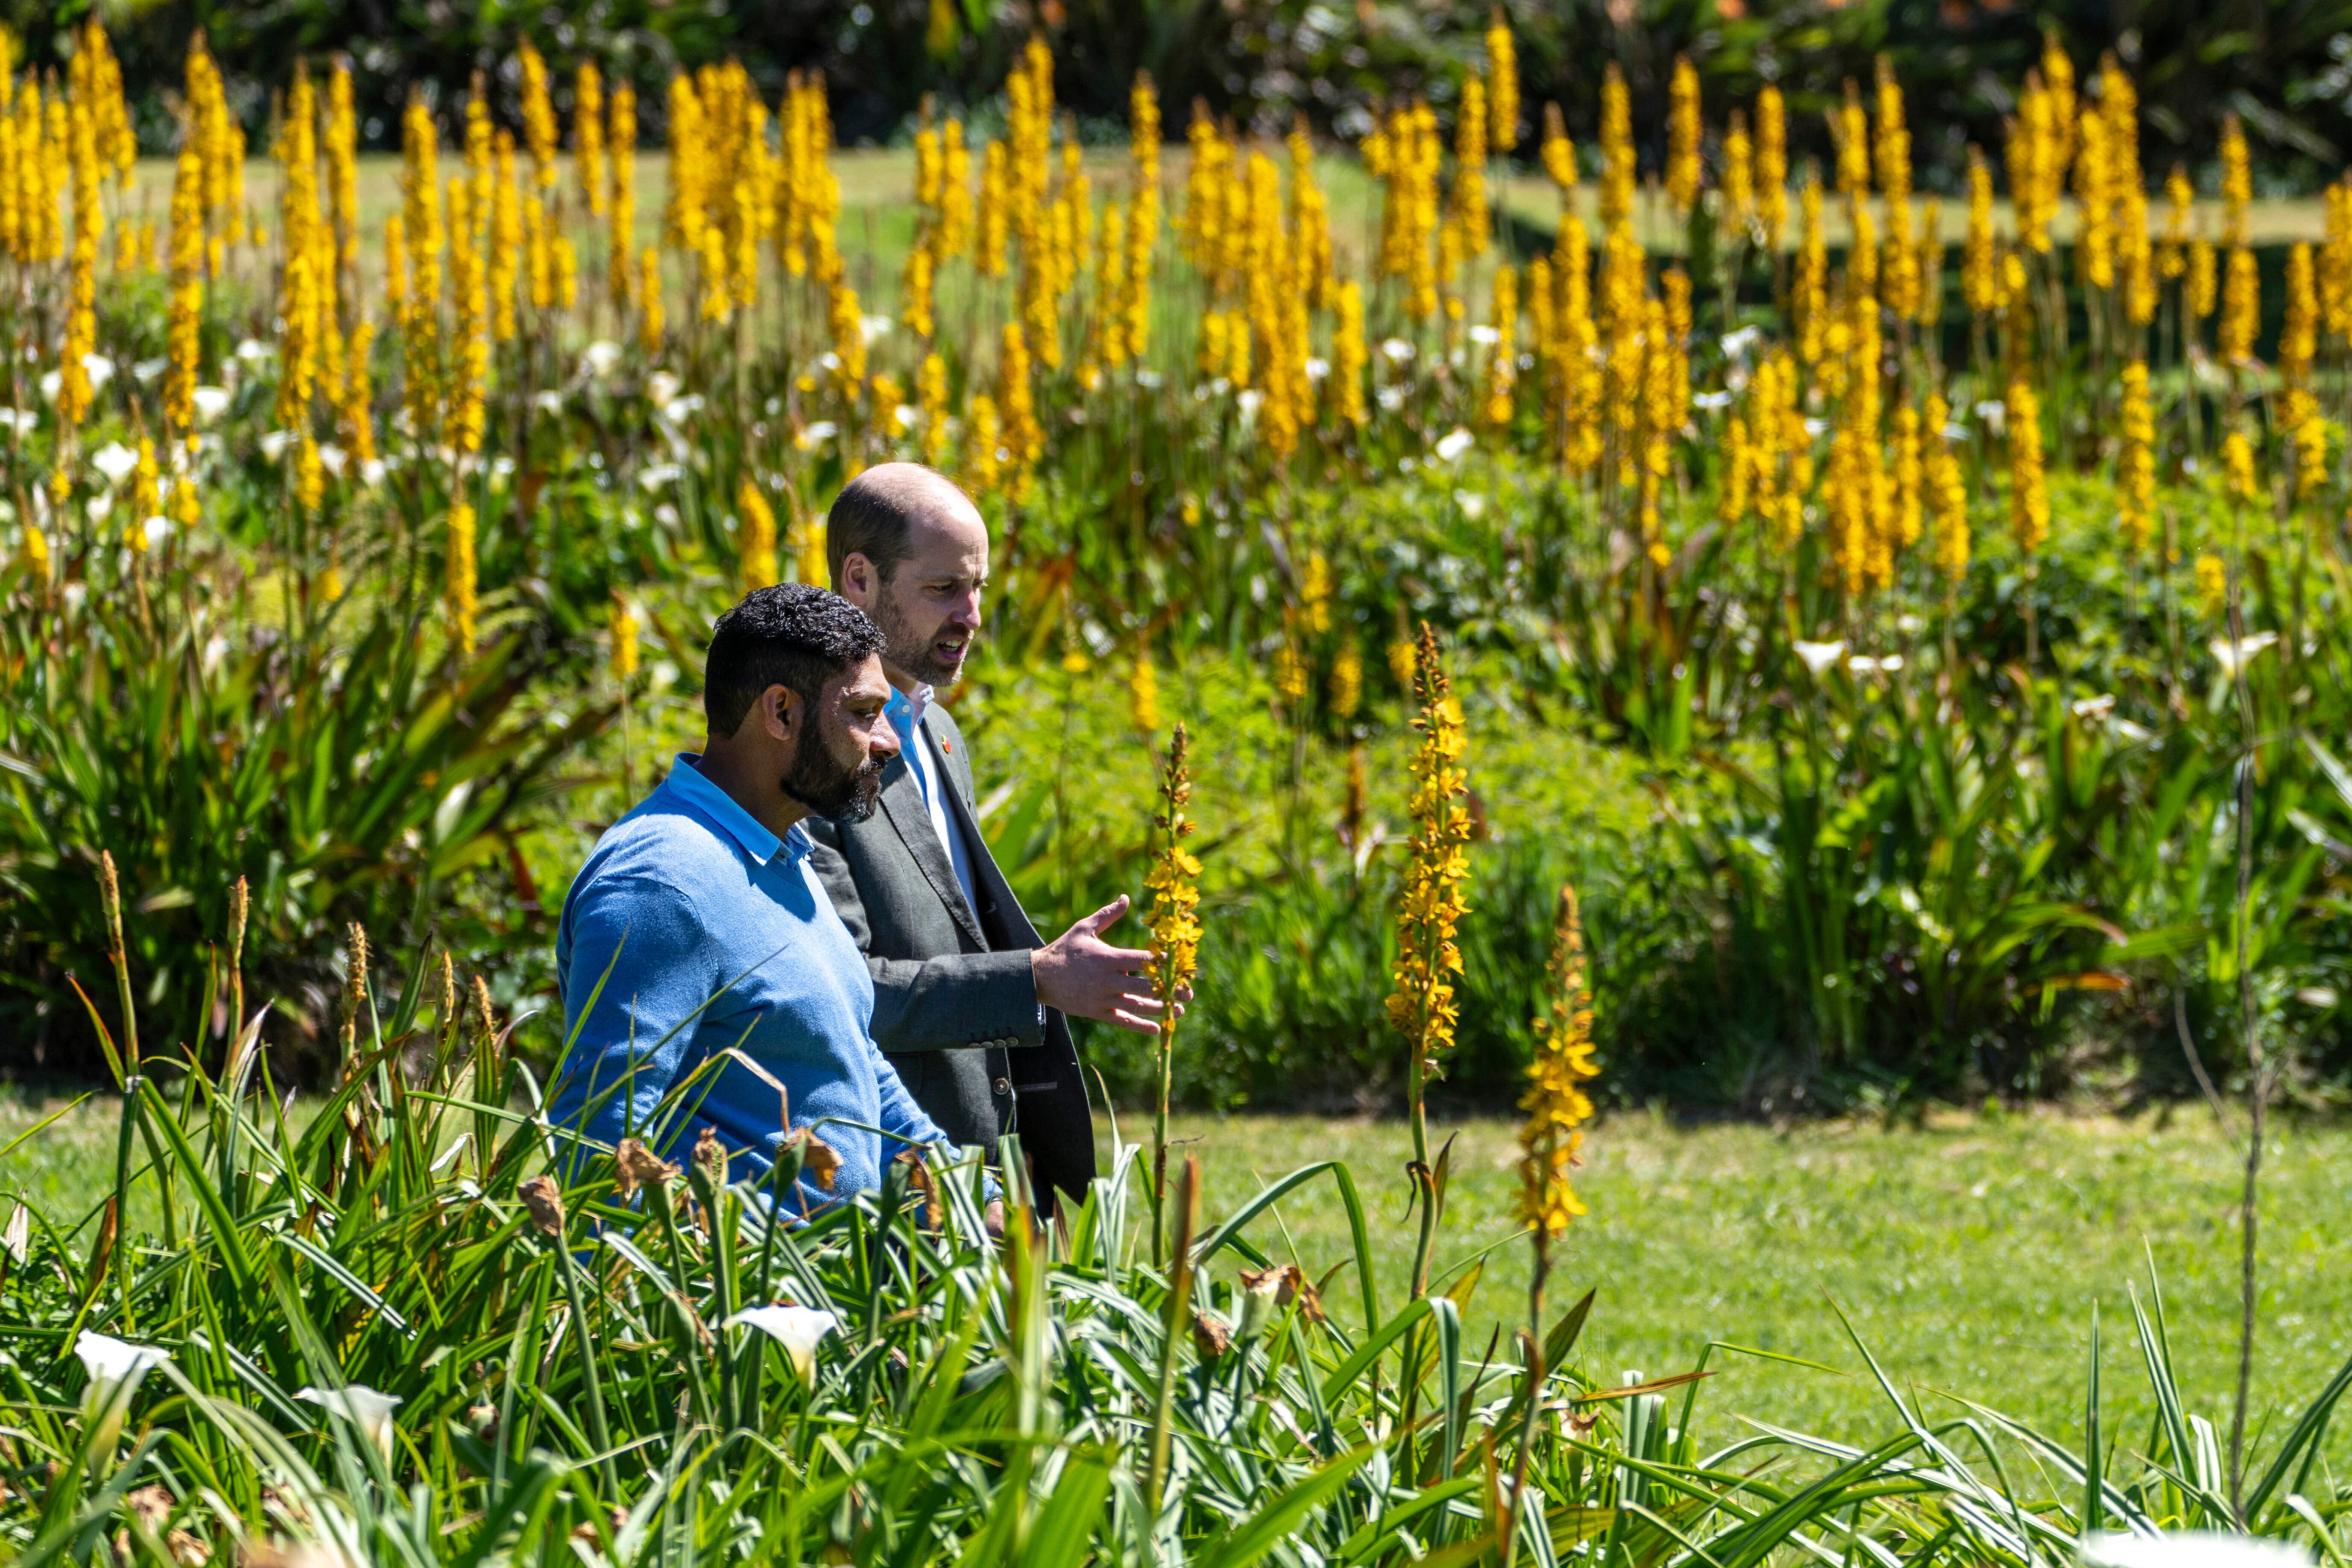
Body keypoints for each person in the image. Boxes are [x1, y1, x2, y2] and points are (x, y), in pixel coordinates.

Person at [806, 462, 1169, 1213]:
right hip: (890, 1186)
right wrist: (1033, 977)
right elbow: (840, 993)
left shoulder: (936, 730)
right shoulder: (805, 758)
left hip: (990, 1172)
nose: (972, 615)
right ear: (859, 580)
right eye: (944, 590)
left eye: (979, 589)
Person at [549, 582, 959, 1215]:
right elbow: (600, 1148)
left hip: (839, 1301)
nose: (888, 741)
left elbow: (852, 1063)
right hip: (747, 1306)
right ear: (781, 712)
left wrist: (968, 1197)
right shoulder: (664, 881)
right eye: (862, 713)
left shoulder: (782, 852)